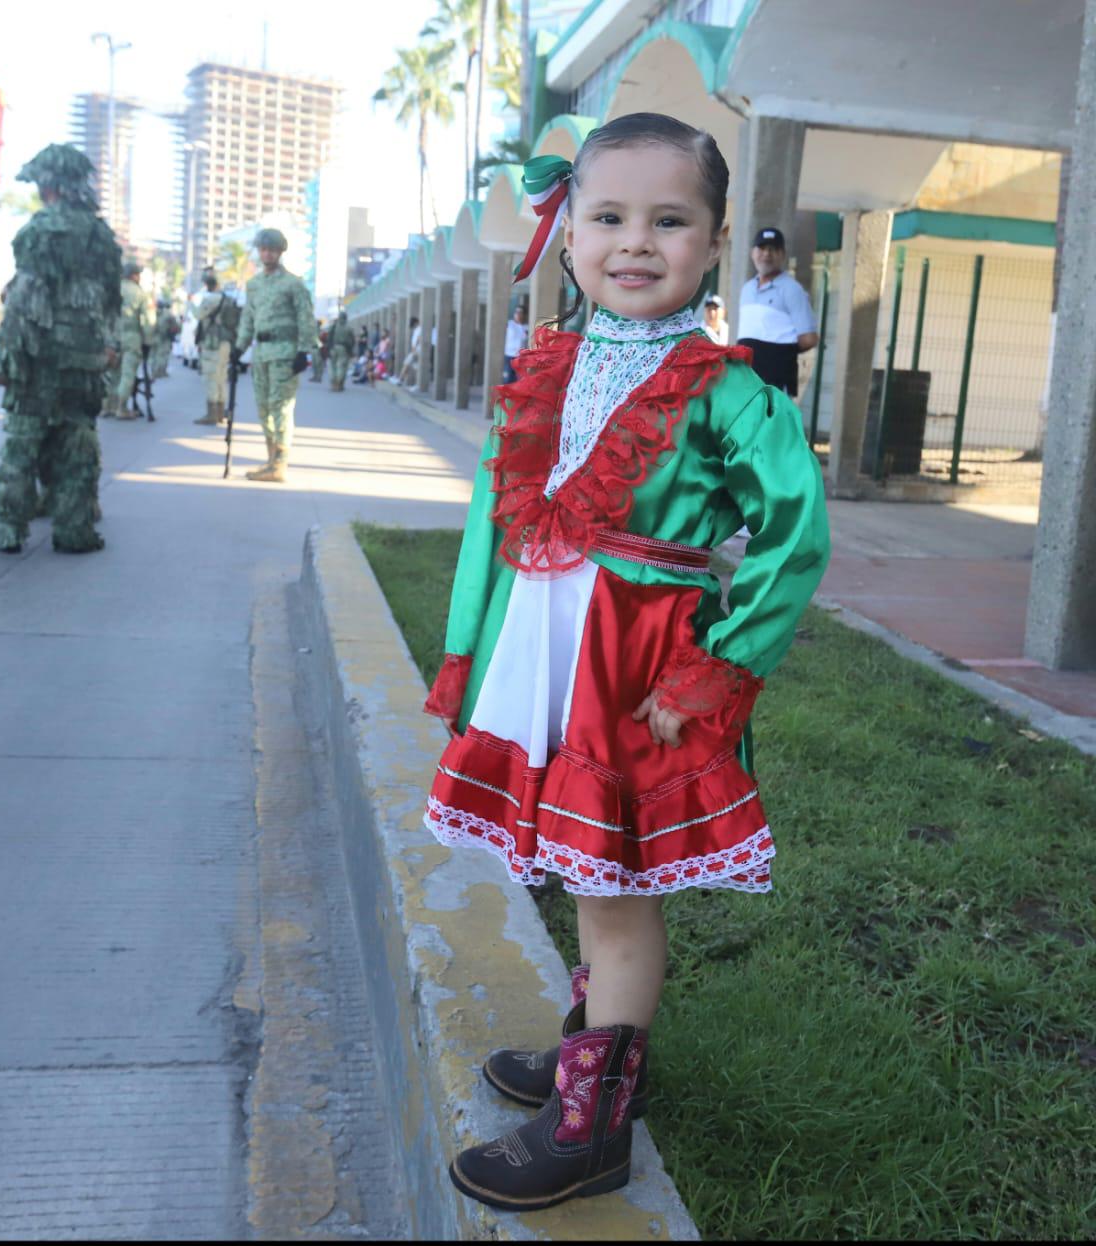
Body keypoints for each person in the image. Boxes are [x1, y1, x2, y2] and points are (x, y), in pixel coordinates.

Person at [419, 113, 830, 1212]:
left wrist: (717, 670)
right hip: (541, 655)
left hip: (635, 673)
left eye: (669, 220)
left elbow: (796, 537)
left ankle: (592, 1127)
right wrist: (467, 652)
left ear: (715, 240)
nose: (634, 242)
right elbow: (487, 528)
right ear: (568, 234)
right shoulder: (548, 366)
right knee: (576, 867)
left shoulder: (731, 390)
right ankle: (595, 1056)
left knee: (612, 890)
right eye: (607, 217)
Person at [0, 143, 119, 555]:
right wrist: (107, 345)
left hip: (38, 355)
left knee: (22, 443)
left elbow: (25, 297)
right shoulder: (101, 234)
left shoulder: (40, 229)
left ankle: (9, 529)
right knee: (77, 442)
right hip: (84, 359)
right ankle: (73, 529)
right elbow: (113, 299)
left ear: (48, 185)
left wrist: (5, 356)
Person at [232, 226, 317, 483]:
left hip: (285, 353)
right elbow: (248, 318)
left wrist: (304, 350)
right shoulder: (254, 284)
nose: (267, 254)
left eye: (272, 250)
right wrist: (239, 348)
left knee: (281, 408)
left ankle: (279, 464)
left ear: (280, 252)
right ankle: (270, 459)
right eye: (264, 250)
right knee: (264, 409)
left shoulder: (293, 284)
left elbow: (305, 317)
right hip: (261, 353)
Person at [735, 227, 817, 394]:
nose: (767, 254)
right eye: (762, 248)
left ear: (783, 255)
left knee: (774, 420)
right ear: (753, 253)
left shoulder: (792, 289)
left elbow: (809, 339)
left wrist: (778, 353)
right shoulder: (747, 289)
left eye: (773, 249)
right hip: (746, 379)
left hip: (775, 383)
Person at [104, 257, 152, 419]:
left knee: (111, 374)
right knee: (127, 374)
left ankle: (107, 407)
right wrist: (148, 341)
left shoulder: (111, 290)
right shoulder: (139, 293)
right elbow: (148, 321)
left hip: (111, 337)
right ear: (134, 275)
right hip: (131, 337)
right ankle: (121, 408)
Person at [191, 269, 238, 426]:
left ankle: (212, 414)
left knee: (211, 377)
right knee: (221, 378)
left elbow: (198, 314)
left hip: (212, 344)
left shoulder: (211, 299)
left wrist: (190, 302)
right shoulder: (227, 299)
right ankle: (220, 412)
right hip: (225, 343)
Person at [327, 310, 356, 391]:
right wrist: (351, 350)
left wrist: (329, 348)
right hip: (344, 349)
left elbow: (328, 338)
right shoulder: (349, 328)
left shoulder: (333, 326)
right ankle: (339, 384)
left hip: (333, 348)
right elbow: (353, 341)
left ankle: (333, 383)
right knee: (341, 366)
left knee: (332, 366)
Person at [502, 302, 529, 385]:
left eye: (520, 312)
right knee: (507, 380)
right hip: (509, 356)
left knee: (520, 382)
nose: (518, 314)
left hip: (520, 358)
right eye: (516, 312)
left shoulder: (526, 327)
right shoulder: (509, 324)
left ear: (524, 315)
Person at [152, 296, 178, 379]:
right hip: (165, 337)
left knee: (154, 355)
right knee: (163, 355)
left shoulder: (152, 312)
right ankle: (161, 371)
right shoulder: (169, 314)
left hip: (153, 336)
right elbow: (176, 326)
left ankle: (155, 371)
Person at [397, 316, 421, 386]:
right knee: (416, 368)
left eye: (413, 324)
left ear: (416, 322)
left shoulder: (420, 329)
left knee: (406, 364)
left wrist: (414, 349)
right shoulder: (417, 329)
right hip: (416, 351)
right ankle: (416, 383)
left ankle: (400, 380)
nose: (413, 326)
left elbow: (419, 339)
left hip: (416, 351)